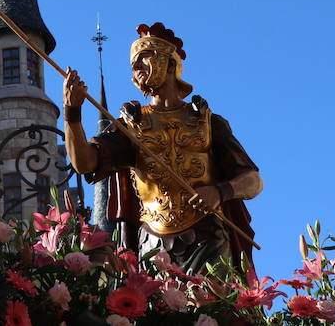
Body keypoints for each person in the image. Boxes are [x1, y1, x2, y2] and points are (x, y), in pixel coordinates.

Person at [63, 23, 262, 274]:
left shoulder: (208, 122)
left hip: (207, 238)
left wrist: (220, 192)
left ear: (168, 63)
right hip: (154, 244)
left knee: (210, 308)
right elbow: (85, 163)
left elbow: (253, 180)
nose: (135, 68)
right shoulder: (130, 126)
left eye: (142, 58)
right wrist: (72, 114)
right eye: (132, 63)